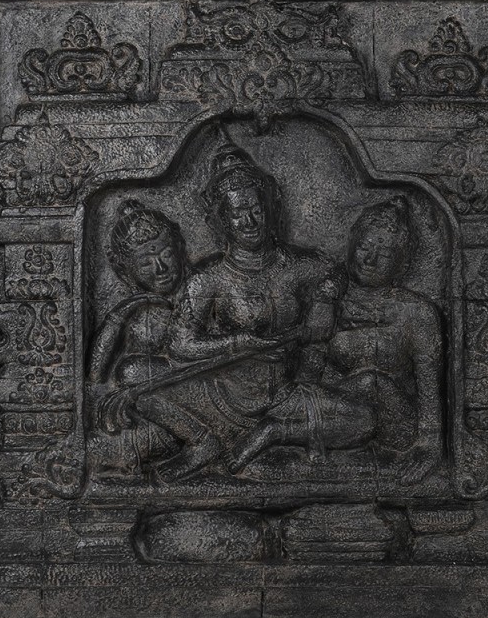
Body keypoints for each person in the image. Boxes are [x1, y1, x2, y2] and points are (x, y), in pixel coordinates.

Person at [167, 141, 374, 473]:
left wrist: (326, 297)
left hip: (283, 396)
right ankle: (207, 440)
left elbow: (335, 271)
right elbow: (180, 344)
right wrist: (237, 343)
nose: (249, 221)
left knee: (364, 421)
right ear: (221, 220)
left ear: (269, 208)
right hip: (223, 397)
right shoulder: (208, 279)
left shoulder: (294, 265)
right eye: (237, 213)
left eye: (255, 209)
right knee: (137, 381)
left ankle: (274, 432)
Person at [86, 199, 221, 480]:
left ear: (180, 248)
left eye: (166, 254)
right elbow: (96, 376)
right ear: (125, 270)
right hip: (158, 411)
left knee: (131, 371)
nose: (161, 268)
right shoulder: (138, 313)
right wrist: (121, 312)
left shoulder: (204, 285)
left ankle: (201, 440)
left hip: (215, 390)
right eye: (146, 263)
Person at [324, 196, 444, 475]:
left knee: (373, 383)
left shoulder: (417, 312)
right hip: (332, 418)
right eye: (364, 247)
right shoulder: (328, 300)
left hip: (394, 425)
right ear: (350, 246)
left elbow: (429, 387)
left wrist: (430, 445)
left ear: (402, 264)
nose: (370, 259)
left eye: (385, 254)